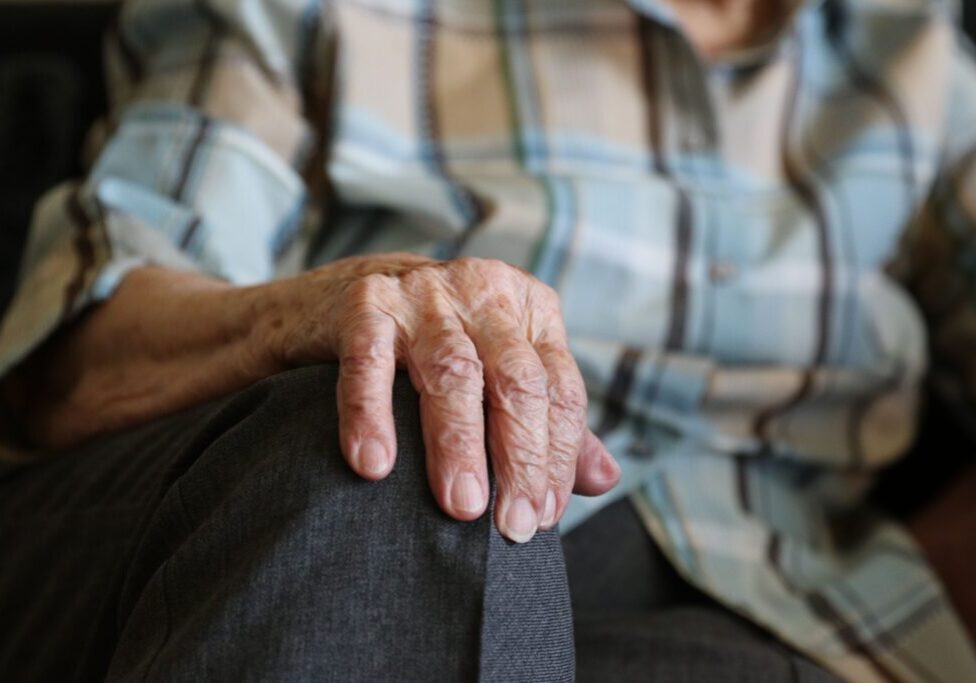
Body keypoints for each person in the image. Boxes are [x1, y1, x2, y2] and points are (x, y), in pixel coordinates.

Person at [1, 0, 975, 679]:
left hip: (790, 605)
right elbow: (82, 345)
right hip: (355, 537)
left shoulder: (920, 63)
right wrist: (327, 309)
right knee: (406, 413)